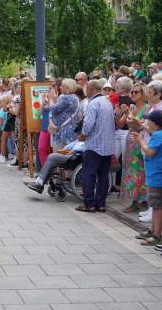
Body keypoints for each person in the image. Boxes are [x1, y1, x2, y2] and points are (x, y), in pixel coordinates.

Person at [76, 80, 115, 213]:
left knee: (89, 174)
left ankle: (89, 204)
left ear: (91, 89)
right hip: (107, 145)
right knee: (103, 177)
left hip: (94, 145)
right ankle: (101, 204)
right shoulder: (107, 102)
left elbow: (88, 124)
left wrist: (83, 135)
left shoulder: (93, 103)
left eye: (87, 89)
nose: (86, 91)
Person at [130, 110, 162, 246]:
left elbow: (149, 152)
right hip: (155, 176)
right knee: (155, 206)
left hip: (157, 177)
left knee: (158, 207)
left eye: (149, 121)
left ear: (154, 123)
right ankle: (153, 230)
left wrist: (140, 140)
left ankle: (156, 235)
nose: (147, 123)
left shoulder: (158, 136)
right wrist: (142, 126)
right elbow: (150, 130)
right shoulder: (158, 133)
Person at [120, 83, 149, 212]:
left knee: (140, 171)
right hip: (130, 142)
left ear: (143, 94)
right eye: (132, 92)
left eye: (136, 92)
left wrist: (129, 114)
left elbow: (142, 127)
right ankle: (134, 200)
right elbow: (124, 124)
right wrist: (125, 113)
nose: (133, 94)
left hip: (140, 141)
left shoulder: (147, 109)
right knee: (130, 171)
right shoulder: (132, 107)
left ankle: (141, 200)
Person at [42, 78, 80, 152]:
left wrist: (50, 100)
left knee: (59, 156)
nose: (60, 87)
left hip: (62, 132)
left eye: (62, 86)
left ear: (67, 88)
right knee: (69, 155)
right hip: (71, 131)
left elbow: (53, 109)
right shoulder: (75, 98)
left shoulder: (65, 98)